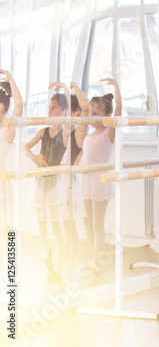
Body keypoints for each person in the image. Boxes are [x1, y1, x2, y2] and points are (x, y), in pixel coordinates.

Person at [24, 86, 72, 283]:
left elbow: (70, 121)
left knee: (55, 225)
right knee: (41, 224)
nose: (50, 111)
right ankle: (47, 257)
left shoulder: (66, 133)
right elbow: (26, 148)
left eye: (54, 108)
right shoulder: (43, 131)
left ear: (63, 112)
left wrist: (65, 88)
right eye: (49, 107)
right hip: (39, 182)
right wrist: (34, 157)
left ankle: (59, 268)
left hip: (54, 184)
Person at [78, 78, 122, 273]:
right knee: (87, 220)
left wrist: (116, 88)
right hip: (86, 180)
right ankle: (91, 256)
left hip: (100, 182)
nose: (92, 117)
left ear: (107, 115)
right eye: (90, 113)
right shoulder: (89, 134)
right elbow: (84, 153)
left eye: (96, 114)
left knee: (97, 223)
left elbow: (119, 111)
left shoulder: (108, 133)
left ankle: (97, 261)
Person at [51, 82, 89, 267]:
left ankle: (70, 264)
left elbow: (85, 108)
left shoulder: (79, 134)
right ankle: (61, 262)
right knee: (59, 225)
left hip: (68, 184)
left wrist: (71, 87)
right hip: (56, 181)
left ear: (74, 114)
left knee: (68, 225)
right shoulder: (60, 132)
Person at [0, 70, 23, 270]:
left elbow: (20, 105)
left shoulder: (7, 129)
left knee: (4, 228)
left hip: (2, 182)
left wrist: (10, 79)